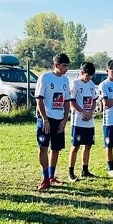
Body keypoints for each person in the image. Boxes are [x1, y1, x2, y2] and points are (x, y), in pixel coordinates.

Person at [34, 52, 72, 191]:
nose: (66, 68)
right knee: (43, 147)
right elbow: (39, 99)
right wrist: (45, 119)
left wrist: (64, 119)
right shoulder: (45, 77)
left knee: (55, 148)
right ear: (56, 65)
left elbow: (67, 101)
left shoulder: (65, 80)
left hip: (59, 119)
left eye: (67, 66)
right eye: (64, 66)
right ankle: (44, 178)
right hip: (45, 119)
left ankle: (51, 176)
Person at [67, 61, 99, 181]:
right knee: (75, 146)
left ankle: (85, 170)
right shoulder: (74, 84)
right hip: (78, 121)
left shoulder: (91, 84)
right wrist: (82, 112)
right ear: (82, 73)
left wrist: (91, 112)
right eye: (87, 75)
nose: (89, 78)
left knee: (88, 145)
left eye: (91, 76)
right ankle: (71, 172)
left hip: (89, 121)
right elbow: (72, 101)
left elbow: (94, 100)